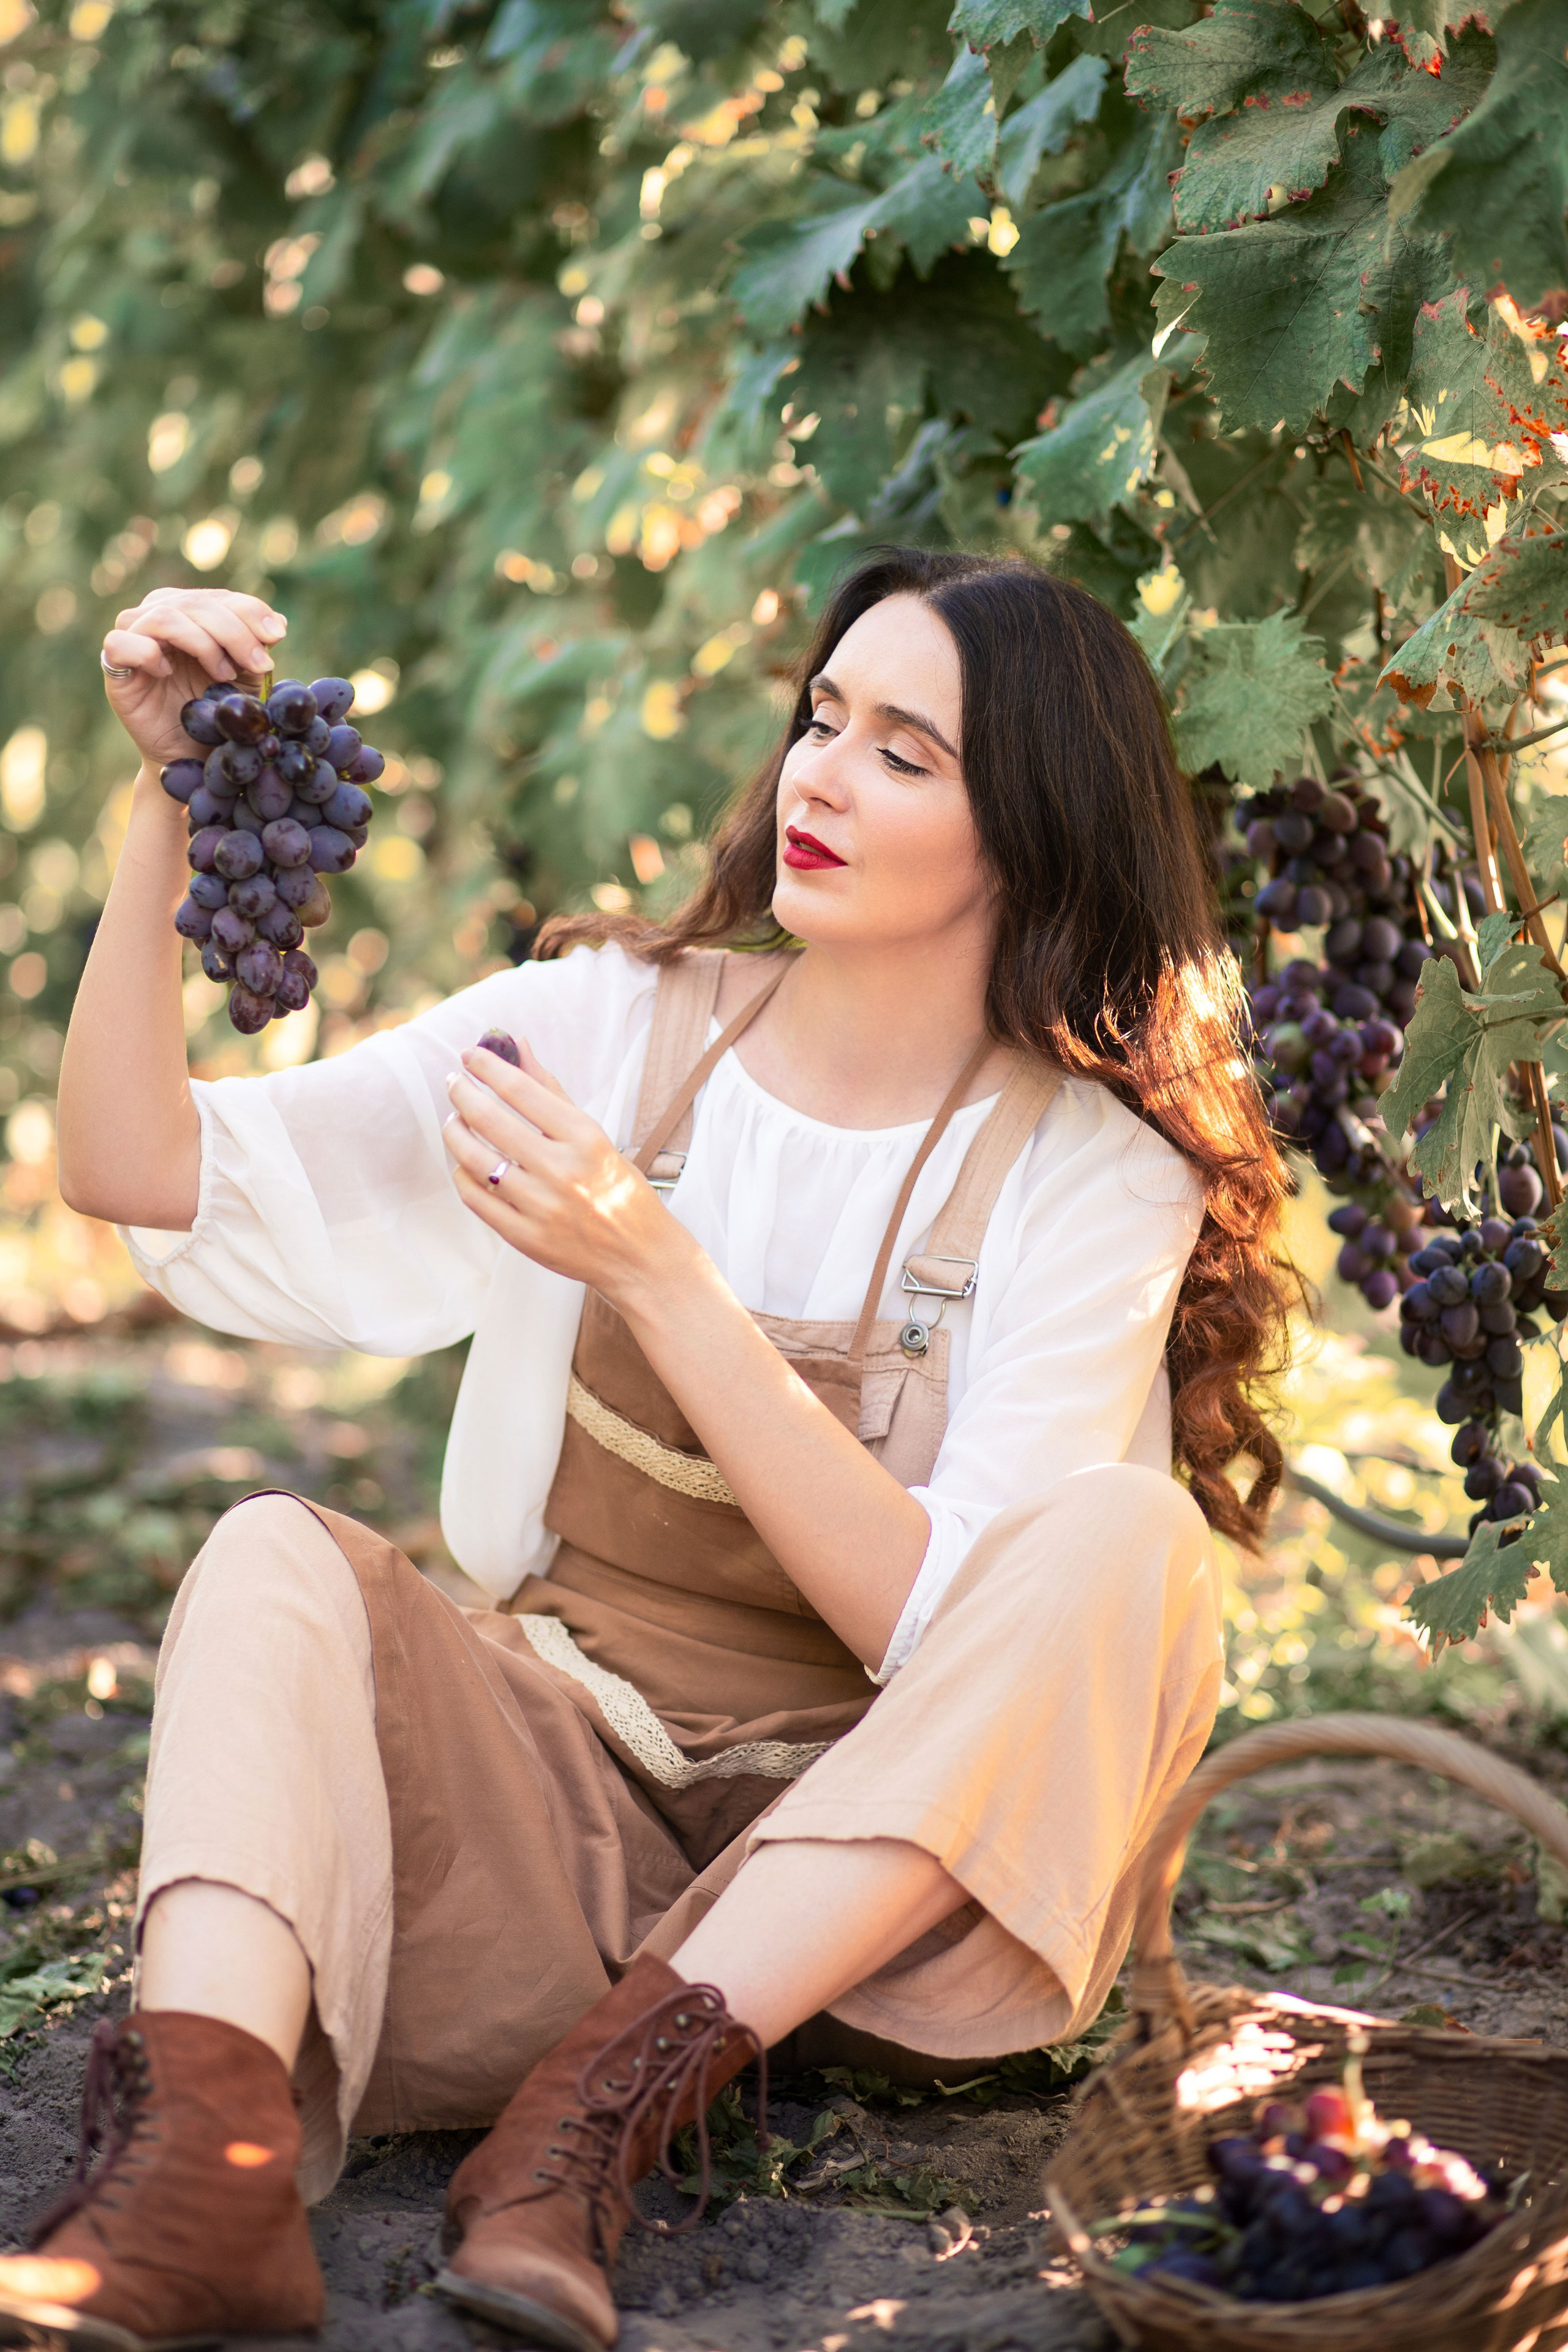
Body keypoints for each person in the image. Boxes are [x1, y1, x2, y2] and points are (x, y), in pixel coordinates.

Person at [1, 549, 1292, 2352]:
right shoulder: (610, 1029)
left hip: (869, 1913)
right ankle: (195, 2183)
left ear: (1033, 832)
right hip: (560, 1827)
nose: (821, 777)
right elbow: (136, 1169)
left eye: (905, 753)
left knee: (1123, 1544)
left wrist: (655, 1273)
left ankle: (581, 2136)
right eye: (823, 719)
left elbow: (932, 1637)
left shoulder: (1096, 1170)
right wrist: (173, 803)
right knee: (271, 1553)